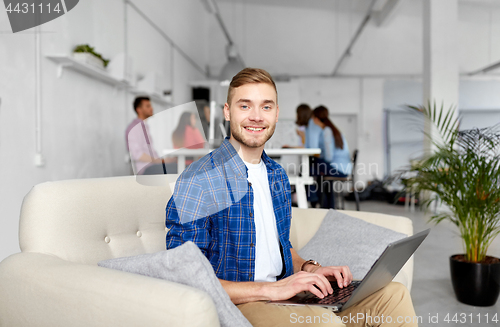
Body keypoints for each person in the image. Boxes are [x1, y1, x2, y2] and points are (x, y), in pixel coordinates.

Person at [165, 68, 417, 327]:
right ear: (228, 112)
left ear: (276, 113)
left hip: (286, 295)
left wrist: (311, 269)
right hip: (243, 304)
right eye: (245, 106)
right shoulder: (199, 180)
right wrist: (270, 290)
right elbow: (187, 276)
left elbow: (280, 247)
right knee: (324, 322)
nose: (256, 116)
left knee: (393, 296)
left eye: (266, 107)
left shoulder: (277, 176)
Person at [310, 106, 352, 208]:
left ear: (315, 118)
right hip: (344, 169)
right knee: (318, 173)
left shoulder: (327, 131)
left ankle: (313, 198)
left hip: (338, 169)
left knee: (312, 163)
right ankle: (324, 204)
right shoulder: (333, 129)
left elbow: (329, 157)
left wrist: (320, 157)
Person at [125, 96, 169, 175]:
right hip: (145, 169)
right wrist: (160, 161)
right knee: (179, 169)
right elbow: (136, 154)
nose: (151, 108)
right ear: (139, 110)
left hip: (154, 165)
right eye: (148, 106)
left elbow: (150, 151)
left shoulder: (145, 127)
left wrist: (163, 160)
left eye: (150, 106)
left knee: (180, 166)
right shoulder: (133, 128)